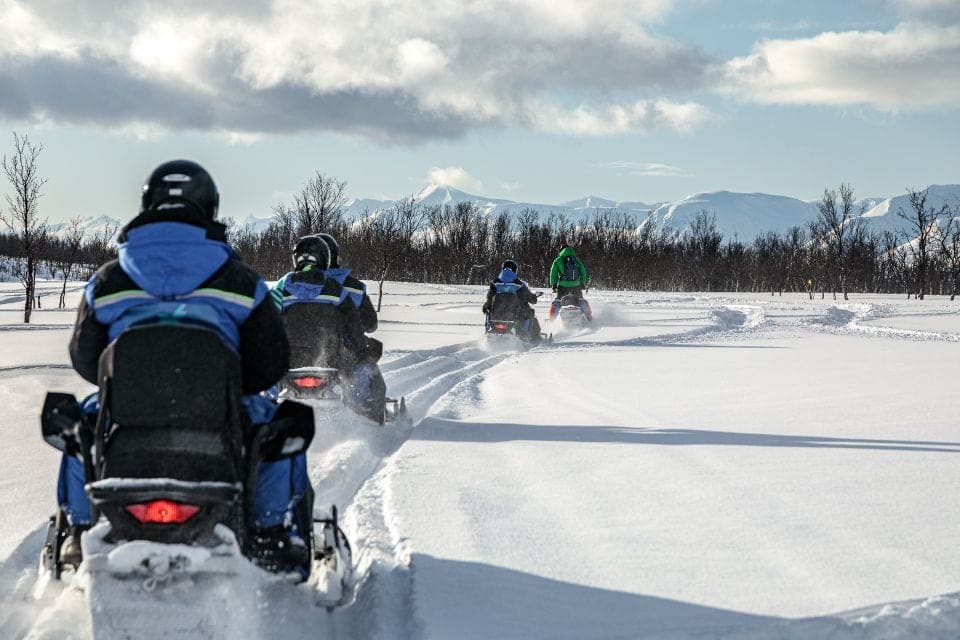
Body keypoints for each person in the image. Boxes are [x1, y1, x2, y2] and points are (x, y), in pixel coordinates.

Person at [56, 159, 308, 570]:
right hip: (218, 422)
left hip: (125, 424)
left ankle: (78, 531)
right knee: (284, 424)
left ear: (147, 204)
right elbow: (271, 363)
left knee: (76, 422)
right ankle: (269, 534)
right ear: (209, 208)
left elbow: (85, 359)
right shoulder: (241, 281)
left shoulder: (107, 281)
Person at [272, 236, 387, 422]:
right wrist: (360, 349)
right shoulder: (335, 288)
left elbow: (264, 320)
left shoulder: (282, 287)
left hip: (290, 360)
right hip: (331, 359)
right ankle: (366, 417)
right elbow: (354, 324)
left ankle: (262, 413)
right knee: (365, 371)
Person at [483, 259, 542, 341]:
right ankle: (527, 336)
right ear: (515, 270)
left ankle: (487, 330)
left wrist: (487, 306)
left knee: (487, 311)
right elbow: (530, 298)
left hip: (496, 314)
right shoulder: (518, 283)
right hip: (513, 314)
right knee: (530, 313)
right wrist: (533, 297)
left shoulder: (495, 282)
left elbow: (490, 296)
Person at [548, 245, 592, 321]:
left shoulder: (558, 260)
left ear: (561, 251)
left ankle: (551, 319)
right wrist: (582, 283)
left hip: (563, 286)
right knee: (580, 300)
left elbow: (553, 273)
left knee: (558, 302)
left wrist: (553, 285)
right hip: (576, 285)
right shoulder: (576, 260)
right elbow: (583, 271)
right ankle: (589, 318)